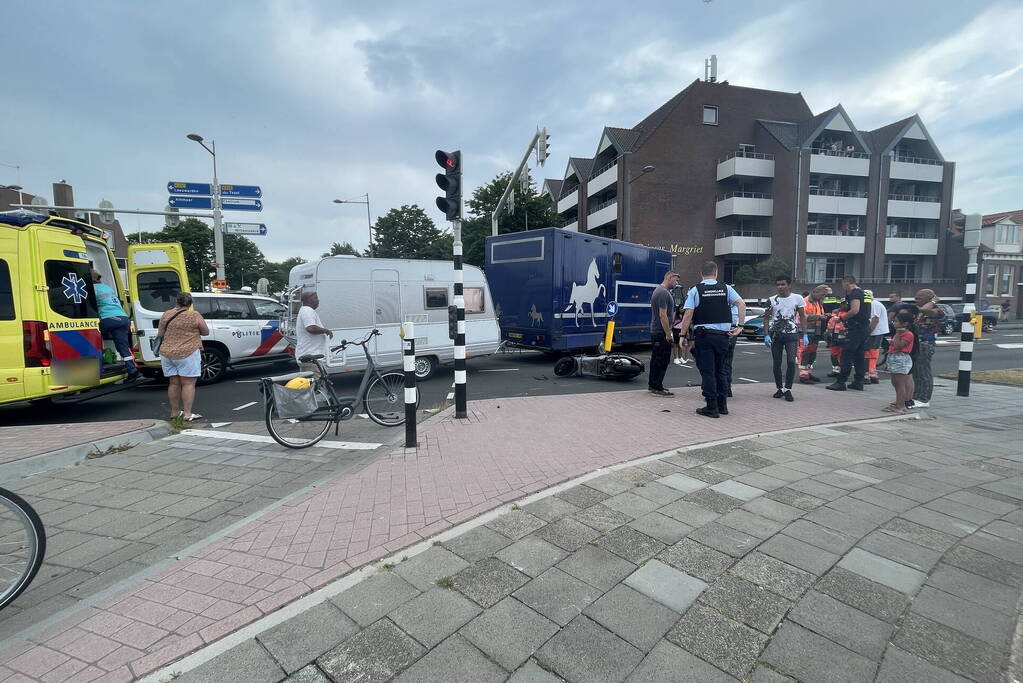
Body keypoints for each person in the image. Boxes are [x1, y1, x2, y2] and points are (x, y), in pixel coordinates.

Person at [676, 261, 745, 418]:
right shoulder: (726, 288)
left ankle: (711, 406)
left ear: (701, 273)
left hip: (705, 336)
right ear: (716, 272)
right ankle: (723, 405)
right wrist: (740, 326)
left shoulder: (695, 290)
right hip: (723, 337)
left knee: (708, 371)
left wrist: (682, 335)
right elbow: (741, 304)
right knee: (720, 370)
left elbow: (688, 314)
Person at [157, 292, 209, 421]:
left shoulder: (166, 314)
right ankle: (187, 413)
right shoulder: (194, 315)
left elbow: (161, 333)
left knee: (174, 383)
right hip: (188, 352)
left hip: (167, 353)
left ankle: (175, 412)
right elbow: (206, 332)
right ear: (190, 303)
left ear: (177, 302)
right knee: (188, 384)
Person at [764, 275, 807, 402]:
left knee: (791, 361)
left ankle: (788, 389)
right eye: (778, 284)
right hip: (776, 335)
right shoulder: (771, 300)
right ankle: (779, 388)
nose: (780, 287)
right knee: (776, 363)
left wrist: (804, 334)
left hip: (792, 334)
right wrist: (766, 335)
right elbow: (766, 318)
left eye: (783, 284)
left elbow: (803, 316)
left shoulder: (797, 298)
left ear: (789, 285)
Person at [90, 269, 139, 380]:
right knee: (123, 347)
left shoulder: (92, 289)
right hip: (123, 318)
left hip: (109, 318)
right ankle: (133, 370)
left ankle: (98, 368)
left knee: (90, 336)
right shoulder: (107, 287)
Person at [826, 275, 872, 391]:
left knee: (847, 354)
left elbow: (855, 310)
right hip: (864, 327)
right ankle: (858, 381)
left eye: (842, 284)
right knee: (859, 356)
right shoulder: (864, 293)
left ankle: (841, 382)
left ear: (847, 283)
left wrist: (842, 318)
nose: (842, 287)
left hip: (855, 328)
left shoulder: (855, 293)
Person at [910, 288, 945, 408]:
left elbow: (925, 309)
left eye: (919, 298)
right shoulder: (920, 311)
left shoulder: (937, 310)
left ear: (929, 298)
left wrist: (934, 301)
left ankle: (924, 399)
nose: (916, 300)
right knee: (916, 372)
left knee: (923, 372)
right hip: (917, 345)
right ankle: (915, 396)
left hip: (926, 345)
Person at [296, 291, 334, 377]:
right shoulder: (308, 311)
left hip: (308, 356)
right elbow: (311, 328)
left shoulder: (304, 310)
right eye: (315, 298)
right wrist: (326, 331)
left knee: (311, 386)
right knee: (317, 386)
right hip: (311, 357)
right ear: (309, 300)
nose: (318, 300)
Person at [884, 312, 916, 414]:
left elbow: (898, 346)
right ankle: (899, 403)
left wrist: (898, 334)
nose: (894, 323)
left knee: (900, 383)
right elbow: (892, 347)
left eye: (896, 321)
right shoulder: (899, 333)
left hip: (901, 358)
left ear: (905, 323)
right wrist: (887, 362)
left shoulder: (908, 334)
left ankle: (901, 406)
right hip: (894, 357)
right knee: (895, 382)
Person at [798, 285, 830, 383]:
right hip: (805, 331)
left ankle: (808, 373)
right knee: (804, 353)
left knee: (812, 354)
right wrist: (819, 317)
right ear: (816, 292)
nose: (823, 297)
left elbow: (817, 315)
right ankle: (803, 376)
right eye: (822, 294)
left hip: (815, 332)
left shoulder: (818, 301)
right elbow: (803, 316)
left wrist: (823, 316)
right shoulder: (805, 301)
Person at [865, 290, 889, 384]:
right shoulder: (876, 303)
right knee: (873, 351)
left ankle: (870, 373)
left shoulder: (873, 304)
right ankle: (872, 373)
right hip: (877, 331)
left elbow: (875, 319)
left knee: (869, 352)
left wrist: (868, 332)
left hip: (875, 332)